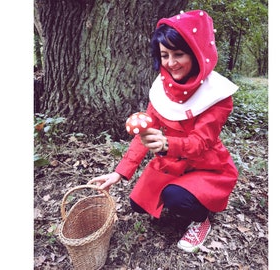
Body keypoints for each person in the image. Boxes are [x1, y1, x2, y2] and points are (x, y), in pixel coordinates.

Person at [88, 9, 239, 253]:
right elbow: (146, 132)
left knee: (174, 197)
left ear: (197, 54)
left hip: (205, 165)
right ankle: (181, 193)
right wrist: (119, 173)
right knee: (138, 204)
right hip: (173, 165)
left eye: (179, 54)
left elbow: (201, 142)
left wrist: (167, 144)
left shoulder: (218, 95)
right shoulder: (162, 88)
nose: (170, 63)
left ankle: (201, 219)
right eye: (165, 55)